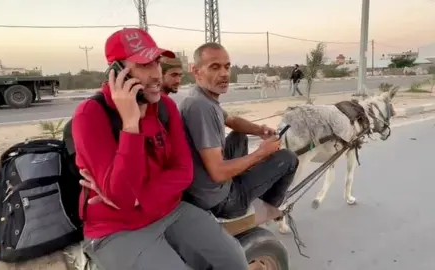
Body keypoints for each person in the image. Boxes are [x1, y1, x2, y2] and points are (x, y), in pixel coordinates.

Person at [72, 29, 248, 270]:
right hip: (117, 229)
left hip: (171, 211)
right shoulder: (91, 115)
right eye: (144, 65)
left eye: (156, 62)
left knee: (235, 261)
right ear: (116, 72)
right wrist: (131, 125)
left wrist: (138, 198)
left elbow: (184, 172)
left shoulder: (164, 107)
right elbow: (121, 198)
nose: (156, 74)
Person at [178, 42, 300, 220]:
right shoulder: (201, 107)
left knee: (239, 135)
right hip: (221, 201)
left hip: (202, 188)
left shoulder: (199, 96)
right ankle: (266, 210)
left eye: (227, 67)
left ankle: (244, 182)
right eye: (215, 67)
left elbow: (232, 121)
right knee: (289, 158)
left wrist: (260, 130)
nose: (224, 74)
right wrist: (261, 152)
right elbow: (218, 173)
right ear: (197, 72)